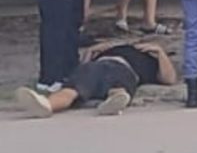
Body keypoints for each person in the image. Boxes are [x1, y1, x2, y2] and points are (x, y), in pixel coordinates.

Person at [13, 40, 178, 118]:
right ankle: (46, 105)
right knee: (74, 87)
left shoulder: (149, 59)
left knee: (118, 86)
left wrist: (159, 52)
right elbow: (81, 67)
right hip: (97, 65)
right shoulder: (107, 50)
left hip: (124, 69)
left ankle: (114, 102)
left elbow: (169, 79)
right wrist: (92, 51)